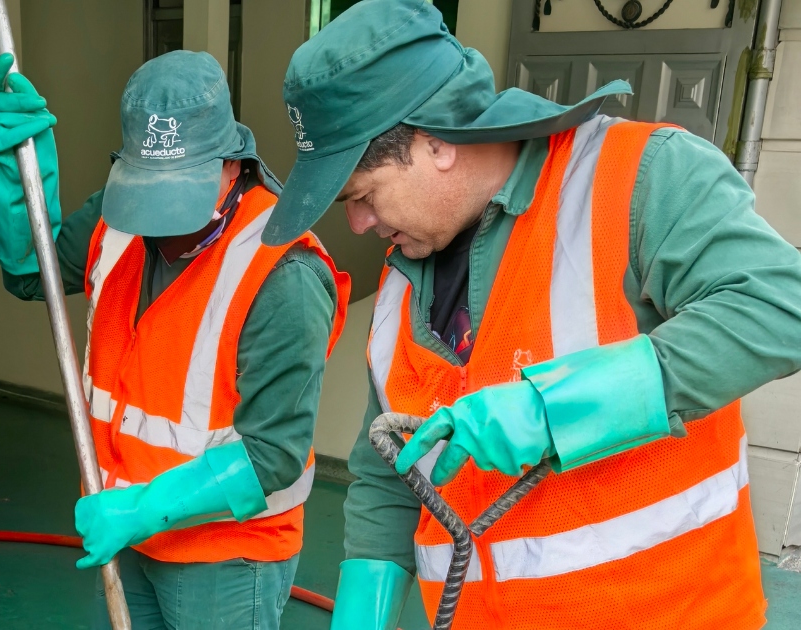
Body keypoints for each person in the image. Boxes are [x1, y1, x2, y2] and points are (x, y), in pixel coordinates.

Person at [261, 1, 801, 629]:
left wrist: (555, 411)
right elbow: (390, 472)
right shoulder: (403, 278)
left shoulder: (641, 178)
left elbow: (778, 304)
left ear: (435, 141)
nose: (358, 224)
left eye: (362, 195)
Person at [0, 50, 350, 629]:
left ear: (232, 166)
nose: (157, 218)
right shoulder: (121, 218)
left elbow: (272, 455)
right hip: (129, 538)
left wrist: (141, 509)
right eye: (147, 191)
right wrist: (21, 175)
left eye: (177, 193)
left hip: (225, 556)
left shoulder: (282, 273)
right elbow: (35, 274)